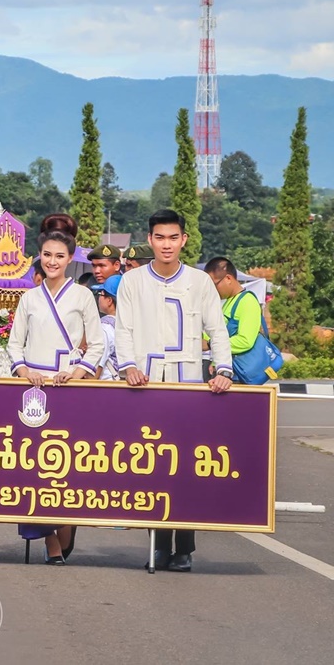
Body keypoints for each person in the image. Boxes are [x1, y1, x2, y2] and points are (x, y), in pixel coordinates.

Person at [116, 209, 233, 573]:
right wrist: (129, 365)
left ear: (183, 240)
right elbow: (124, 330)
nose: (166, 244)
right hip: (146, 384)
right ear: (149, 240)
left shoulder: (199, 282)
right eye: (159, 237)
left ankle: (184, 547)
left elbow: (217, 331)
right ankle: (156, 544)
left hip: (188, 384)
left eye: (173, 237)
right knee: (150, 465)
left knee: (184, 468)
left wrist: (223, 369)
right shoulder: (133, 282)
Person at [6, 215, 104, 565]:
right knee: (31, 468)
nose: (51, 261)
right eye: (46, 254)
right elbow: (14, 345)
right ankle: (46, 538)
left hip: (70, 389)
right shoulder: (29, 298)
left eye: (59, 256)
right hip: (34, 391)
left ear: (70, 259)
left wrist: (78, 372)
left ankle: (66, 520)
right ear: (40, 255)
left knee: (66, 464)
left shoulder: (82, 296)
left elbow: (96, 345)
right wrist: (24, 369)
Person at [204, 257, 264, 376]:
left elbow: (245, 340)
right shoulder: (229, 302)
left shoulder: (248, 301)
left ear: (228, 278)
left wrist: (210, 344)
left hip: (241, 374)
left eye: (214, 285)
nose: (212, 290)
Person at [90, 273, 120, 380]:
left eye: (100, 294)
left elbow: (98, 364)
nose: (98, 298)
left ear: (109, 300)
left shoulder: (105, 327)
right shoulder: (128, 325)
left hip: (106, 385)